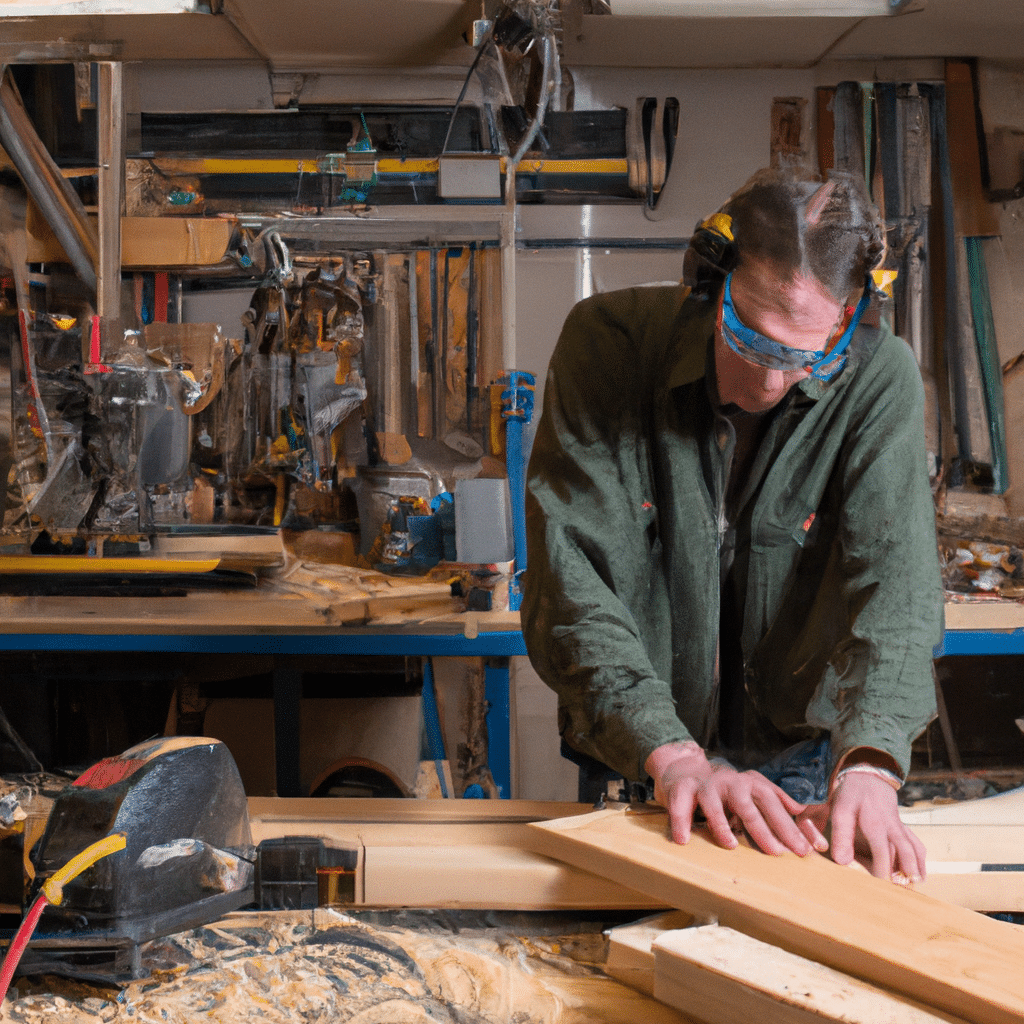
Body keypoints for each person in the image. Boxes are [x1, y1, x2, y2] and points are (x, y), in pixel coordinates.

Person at [521, 167, 944, 883]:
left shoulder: (879, 378)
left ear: (848, 318)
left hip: (799, 767)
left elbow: (896, 589)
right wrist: (674, 754)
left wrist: (871, 760)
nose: (775, 380)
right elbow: (573, 583)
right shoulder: (610, 344)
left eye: (807, 355)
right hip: (644, 751)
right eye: (755, 339)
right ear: (711, 281)